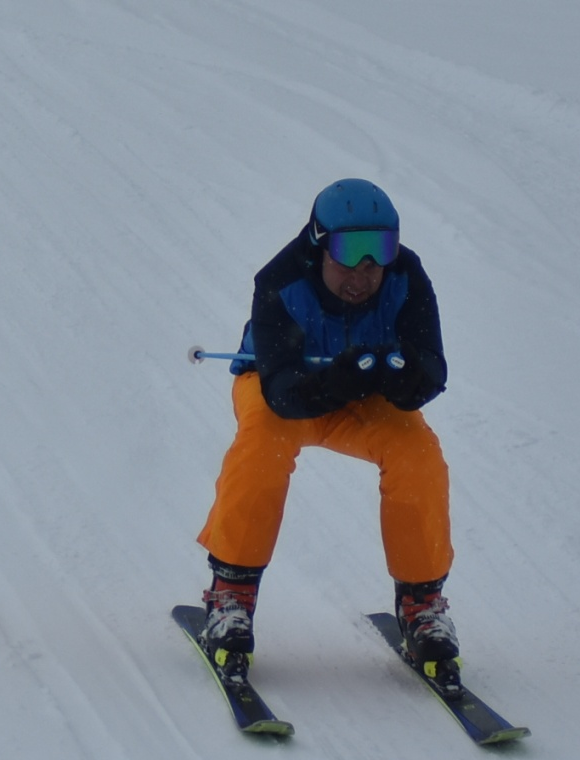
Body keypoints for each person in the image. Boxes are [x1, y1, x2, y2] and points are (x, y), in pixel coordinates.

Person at [196, 179, 461, 692]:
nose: (363, 273)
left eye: (378, 253)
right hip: (281, 390)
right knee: (262, 445)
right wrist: (338, 379)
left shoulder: (406, 277)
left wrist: (402, 378)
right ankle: (231, 594)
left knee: (417, 452)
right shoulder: (280, 281)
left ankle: (422, 604)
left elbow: (431, 368)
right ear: (319, 244)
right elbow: (282, 394)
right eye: (348, 254)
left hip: (362, 395)